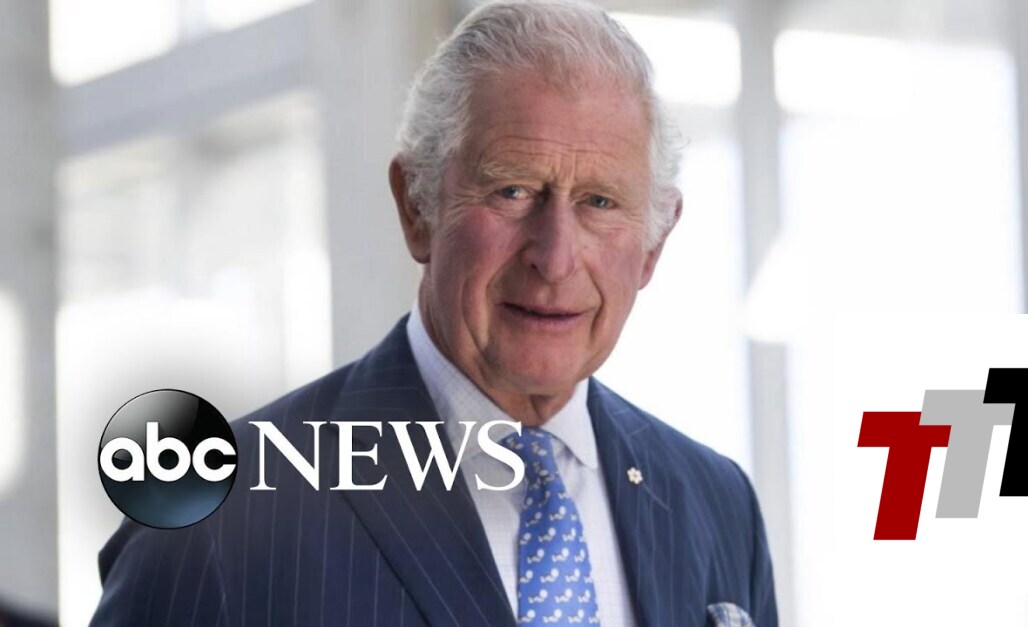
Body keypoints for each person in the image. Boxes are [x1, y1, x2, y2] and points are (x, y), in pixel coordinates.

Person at [92, 1, 777, 625]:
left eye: (599, 202)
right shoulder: (215, 517)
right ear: (416, 207)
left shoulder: (716, 503)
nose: (555, 256)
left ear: (653, 244)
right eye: (512, 190)